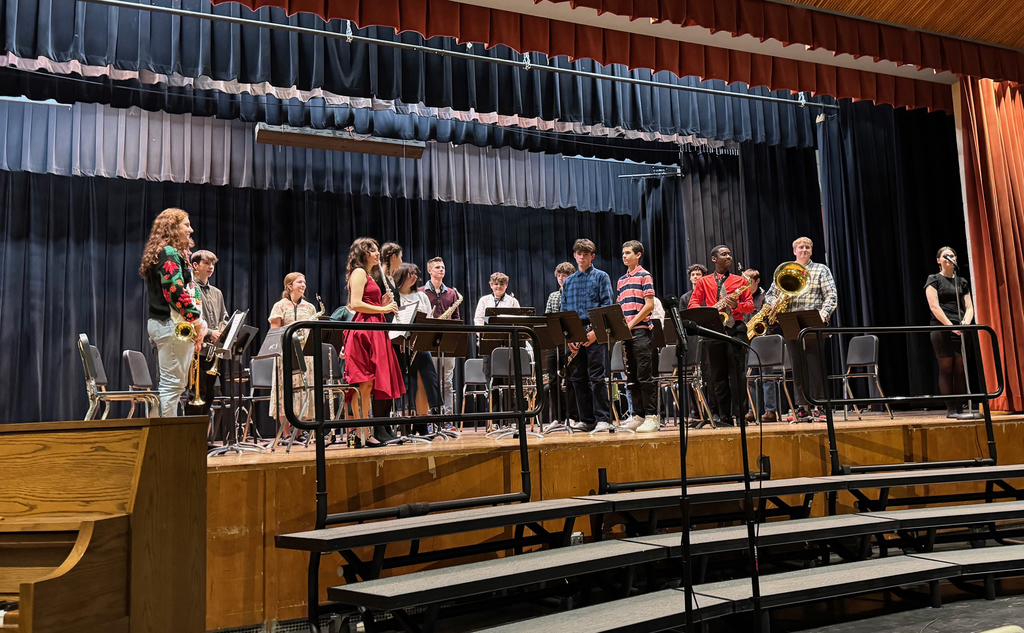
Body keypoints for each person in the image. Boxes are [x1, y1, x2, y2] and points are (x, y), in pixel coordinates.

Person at [139, 208, 208, 417]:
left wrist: (200, 322)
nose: (191, 229)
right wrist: (196, 322)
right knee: (172, 386)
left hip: (172, 324)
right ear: (172, 227)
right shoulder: (168, 252)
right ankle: (165, 442)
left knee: (175, 386)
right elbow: (175, 291)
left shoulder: (171, 253)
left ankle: (163, 439)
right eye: (186, 225)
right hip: (171, 324)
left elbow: (189, 289)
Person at [763, 237, 837, 422]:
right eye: (800, 247)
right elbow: (770, 294)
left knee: (815, 365)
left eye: (807, 247)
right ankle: (802, 407)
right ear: (794, 251)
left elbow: (831, 295)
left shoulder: (821, 269)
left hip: (814, 319)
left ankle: (819, 406)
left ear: (811, 251)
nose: (803, 250)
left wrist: (823, 314)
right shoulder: (786, 269)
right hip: (790, 321)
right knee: (797, 366)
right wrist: (775, 303)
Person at [343, 238, 405, 447]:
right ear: (363, 254)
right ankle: (363, 433)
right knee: (363, 384)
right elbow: (355, 303)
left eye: (377, 250)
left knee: (369, 384)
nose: (378, 254)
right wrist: (383, 309)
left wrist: (382, 303)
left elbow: (368, 303)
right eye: (372, 251)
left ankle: (365, 433)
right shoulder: (359, 273)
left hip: (374, 329)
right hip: (364, 332)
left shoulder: (368, 274)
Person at [688, 245, 754, 427]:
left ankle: (740, 415)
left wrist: (736, 306)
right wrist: (708, 311)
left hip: (736, 328)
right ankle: (723, 416)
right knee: (718, 376)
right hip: (714, 328)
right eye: (724, 254)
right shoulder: (703, 282)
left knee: (738, 374)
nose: (729, 257)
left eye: (729, 254)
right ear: (714, 259)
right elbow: (693, 303)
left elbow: (749, 306)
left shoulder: (740, 281)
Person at [561, 239, 615, 433]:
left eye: (586, 254)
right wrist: (570, 337)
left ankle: (603, 418)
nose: (582, 257)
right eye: (579, 253)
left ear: (592, 256)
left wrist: (595, 332)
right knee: (577, 378)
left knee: (597, 376)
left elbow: (606, 306)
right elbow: (564, 311)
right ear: (574, 255)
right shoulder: (568, 282)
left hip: (595, 332)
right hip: (576, 333)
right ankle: (587, 419)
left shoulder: (601, 277)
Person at [925, 246, 975, 419]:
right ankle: (951, 409)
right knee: (946, 369)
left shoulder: (961, 281)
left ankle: (960, 408)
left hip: (961, 327)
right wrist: (949, 325)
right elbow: (934, 306)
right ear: (938, 260)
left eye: (952, 255)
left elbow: (968, 306)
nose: (949, 257)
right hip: (941, 328)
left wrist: (965, 323)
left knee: (960, 368)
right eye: (945, 255)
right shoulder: (933, 279)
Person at [185, 250, 230, 433]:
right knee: (196, 395)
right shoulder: (189, 287)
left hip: (212, 351)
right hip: (196, 349)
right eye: (207, 263)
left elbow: (223, 316)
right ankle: (191, 439)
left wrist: (224, 327)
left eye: (213, 263)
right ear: (195, 266)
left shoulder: (217, 292)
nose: (211, 267)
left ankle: (202, 439)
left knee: (209, 395)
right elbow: (189, 317)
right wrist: (211, 331)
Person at [394, 263, 443, 432]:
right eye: (410, 274)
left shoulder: (421, 296)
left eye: (416, 274)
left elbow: (428, 318)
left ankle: (422, 424)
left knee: (425, 381)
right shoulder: (395, 296)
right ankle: (405, 425)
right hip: (401, 345)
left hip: (420, 344)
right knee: (407, 384)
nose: (414, 277)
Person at [617, 241, 659, 433]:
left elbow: (649, 305)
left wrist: (631, 324)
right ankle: (639, 415)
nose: (624, 256)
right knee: (631, 376)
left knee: (644, 375)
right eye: (623, 253)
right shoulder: (621, 280)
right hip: (627, 333)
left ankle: (652, 416)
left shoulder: (644, 276)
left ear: (638, 255)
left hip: (640, 331)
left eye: (628, 253)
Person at [268, 272, 318, 435]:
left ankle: (300, 431)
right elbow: (274, 332)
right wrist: (293, 327)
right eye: (299, 282)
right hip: (285, 354)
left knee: (304, 390)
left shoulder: (310, 307)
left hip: (305, 354)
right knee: (284, 390)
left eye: (304, 282)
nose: (303, 285)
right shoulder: (280, 306)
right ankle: (286, 433)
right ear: (289, 286)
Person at [420, 257, 461, 414]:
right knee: (430, 381)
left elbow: (456, 317)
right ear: (429, 270)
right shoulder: (421, 292)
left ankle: (448, 416)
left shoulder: (451, 293)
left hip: (447, 340)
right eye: (437, 267)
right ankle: (431, 414)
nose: (441, 269)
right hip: (428, 340)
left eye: (443, 267)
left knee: (447, 381)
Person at [543, 263, 578, 428]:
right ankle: (558, 416)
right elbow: (548, 317)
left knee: (571, 378)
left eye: (564, 276)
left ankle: (572, 416)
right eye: (559, 276)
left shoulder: (575, 294)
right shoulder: (553, 296)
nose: (561, 279)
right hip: (554, 342)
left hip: (571, 341)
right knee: (553, 379)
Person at [742, 269, 779, 424]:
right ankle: (752, 410)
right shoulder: (742, 297)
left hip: (764, 342)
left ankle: (770, 411)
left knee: (767, 378)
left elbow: (773, 322)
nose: (745, 285)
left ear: (757, 281)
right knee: (749, 378)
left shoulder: (766, 298)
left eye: (748, 282)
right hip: (747, 341)